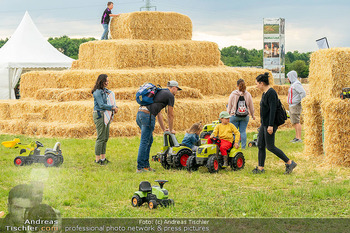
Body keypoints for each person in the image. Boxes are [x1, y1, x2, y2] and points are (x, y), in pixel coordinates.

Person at [253, 72, 297, 174]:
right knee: (260, 145)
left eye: (257, 84)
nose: (256, 86)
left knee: (270, 146)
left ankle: (290, 162)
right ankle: (260, 168)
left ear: (262, 83)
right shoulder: (265, 93)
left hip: (270, 124)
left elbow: (273, 110)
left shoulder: (271, 93)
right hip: (264, 123)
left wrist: (270, 126)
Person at [136, 80, 182, 173]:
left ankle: (146, 166)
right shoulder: (170, 96)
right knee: (145, 141)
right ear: (174, 88)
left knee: (149, 140)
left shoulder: (159, 92)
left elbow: (159, 113)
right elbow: (170, 115)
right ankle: (140, 167)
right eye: (177, 89)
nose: (177, 92)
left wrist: (164, 129)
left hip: (140, 114)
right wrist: (171, 129)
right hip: (147, 116)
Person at [92, 74, 118, 165]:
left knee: (105, 137)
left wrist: (115, 107)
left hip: (105, 114)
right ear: (101, 81)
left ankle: (103, 159)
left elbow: (110, 100)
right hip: (100, 115)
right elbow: (101, 105)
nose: (107, 83)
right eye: (106, 81)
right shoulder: (97, 92)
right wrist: (112, 108)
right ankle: (97, 159)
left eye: (108, 81)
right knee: (100, 137)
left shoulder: (105, 91)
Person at [227, 79, 255, 149]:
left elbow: (229, 106)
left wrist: (227, 116)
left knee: (234, 132)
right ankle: (243, 147)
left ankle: (235, 146)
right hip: (245, 116)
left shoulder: (233, 94)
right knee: (242, 131)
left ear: (237, 85)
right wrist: (253, 115)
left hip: (234, 116)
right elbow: (251, 106)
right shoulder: (248, 94)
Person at [287, 70, 306, 143]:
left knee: (297, 122)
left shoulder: (296, 84)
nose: (288, 79)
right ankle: (296, 137)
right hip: (292, 105)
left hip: (295, 105)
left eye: (288, 77)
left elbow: (303, 92)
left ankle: (299, 138)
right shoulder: (293, 84)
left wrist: (302, 101)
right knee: (294, 122)